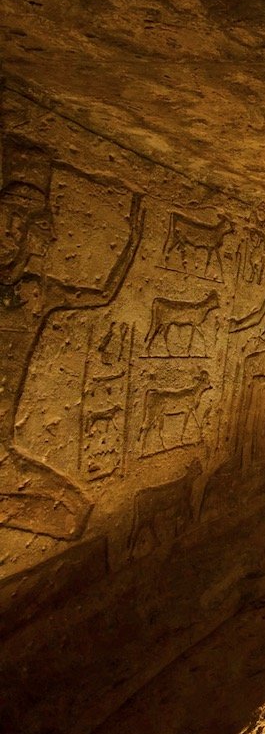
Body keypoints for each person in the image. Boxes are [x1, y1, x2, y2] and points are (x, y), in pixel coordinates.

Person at [1, 139, 143, 539]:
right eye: (10, 215)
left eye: (31, 223)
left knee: (77, 516)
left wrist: (134, 238)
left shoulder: (36, 292)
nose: (15, 231)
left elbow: (102, 295)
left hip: (4, 456)